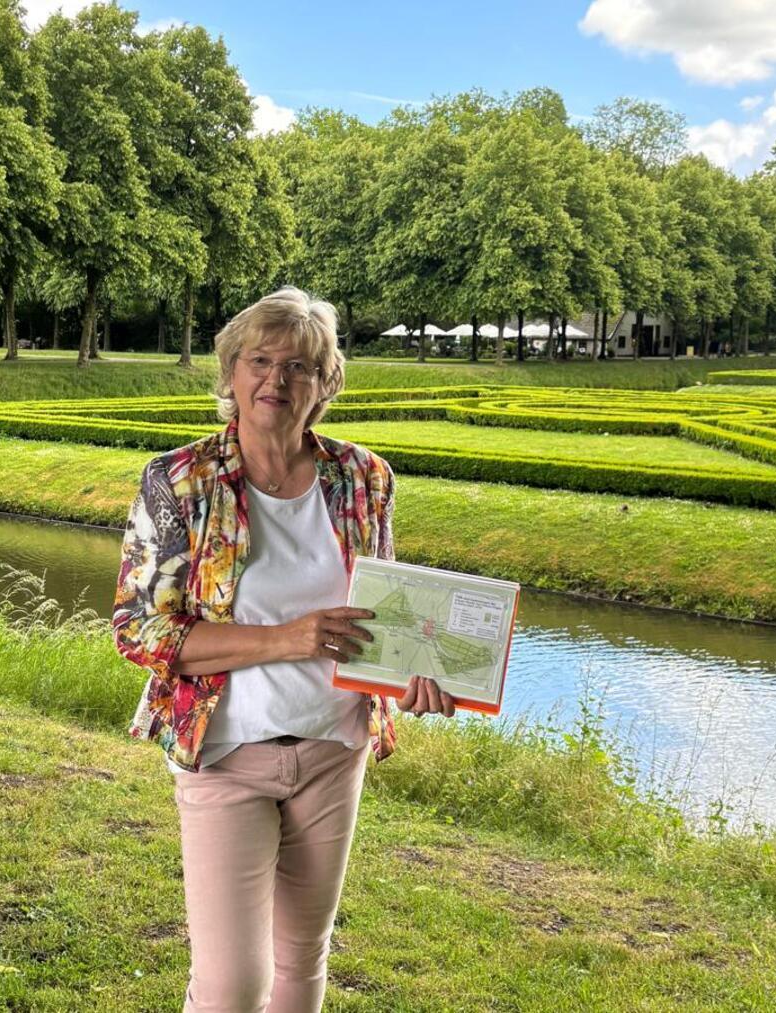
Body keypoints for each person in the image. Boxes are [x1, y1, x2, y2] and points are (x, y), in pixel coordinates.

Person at [112, 286, 456, 1013]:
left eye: (299, 366)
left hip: (334, 747)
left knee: (301, 966)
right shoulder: (180, 481)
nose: (276, 379)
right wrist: (288, 639)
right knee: (232, 986)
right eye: (259, 360)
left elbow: (384, 620)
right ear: (231, 374)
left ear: (326, 384)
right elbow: (139, 629)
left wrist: (416, 678)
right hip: (226, 753)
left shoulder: (364, 477)